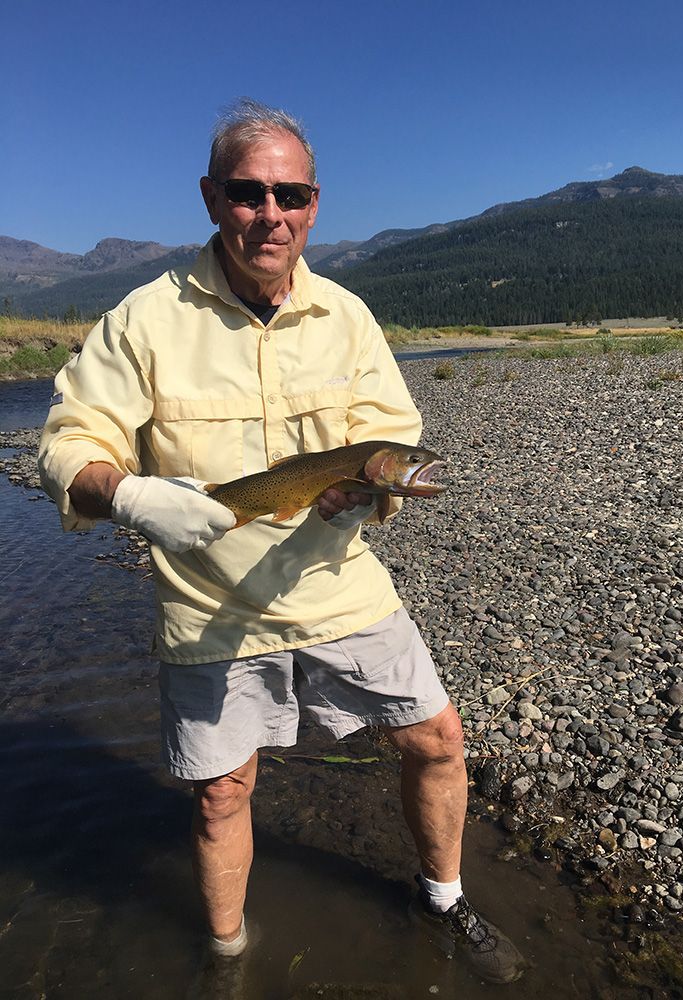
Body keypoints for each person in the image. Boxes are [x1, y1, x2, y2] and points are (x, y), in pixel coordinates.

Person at [38, 99, 525, 985]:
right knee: (222, 796)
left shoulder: (348, 317)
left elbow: (390, 434)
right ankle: (226, 959)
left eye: (290, 194)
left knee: (438, 739)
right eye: (248, 192)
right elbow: (68, 445)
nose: (271, 214)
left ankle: (445, 901)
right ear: (211, 197)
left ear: (314, 204)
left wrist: (365, 499)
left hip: (336, 585)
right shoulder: (144, 320)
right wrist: (132, 495)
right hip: (210, 606)